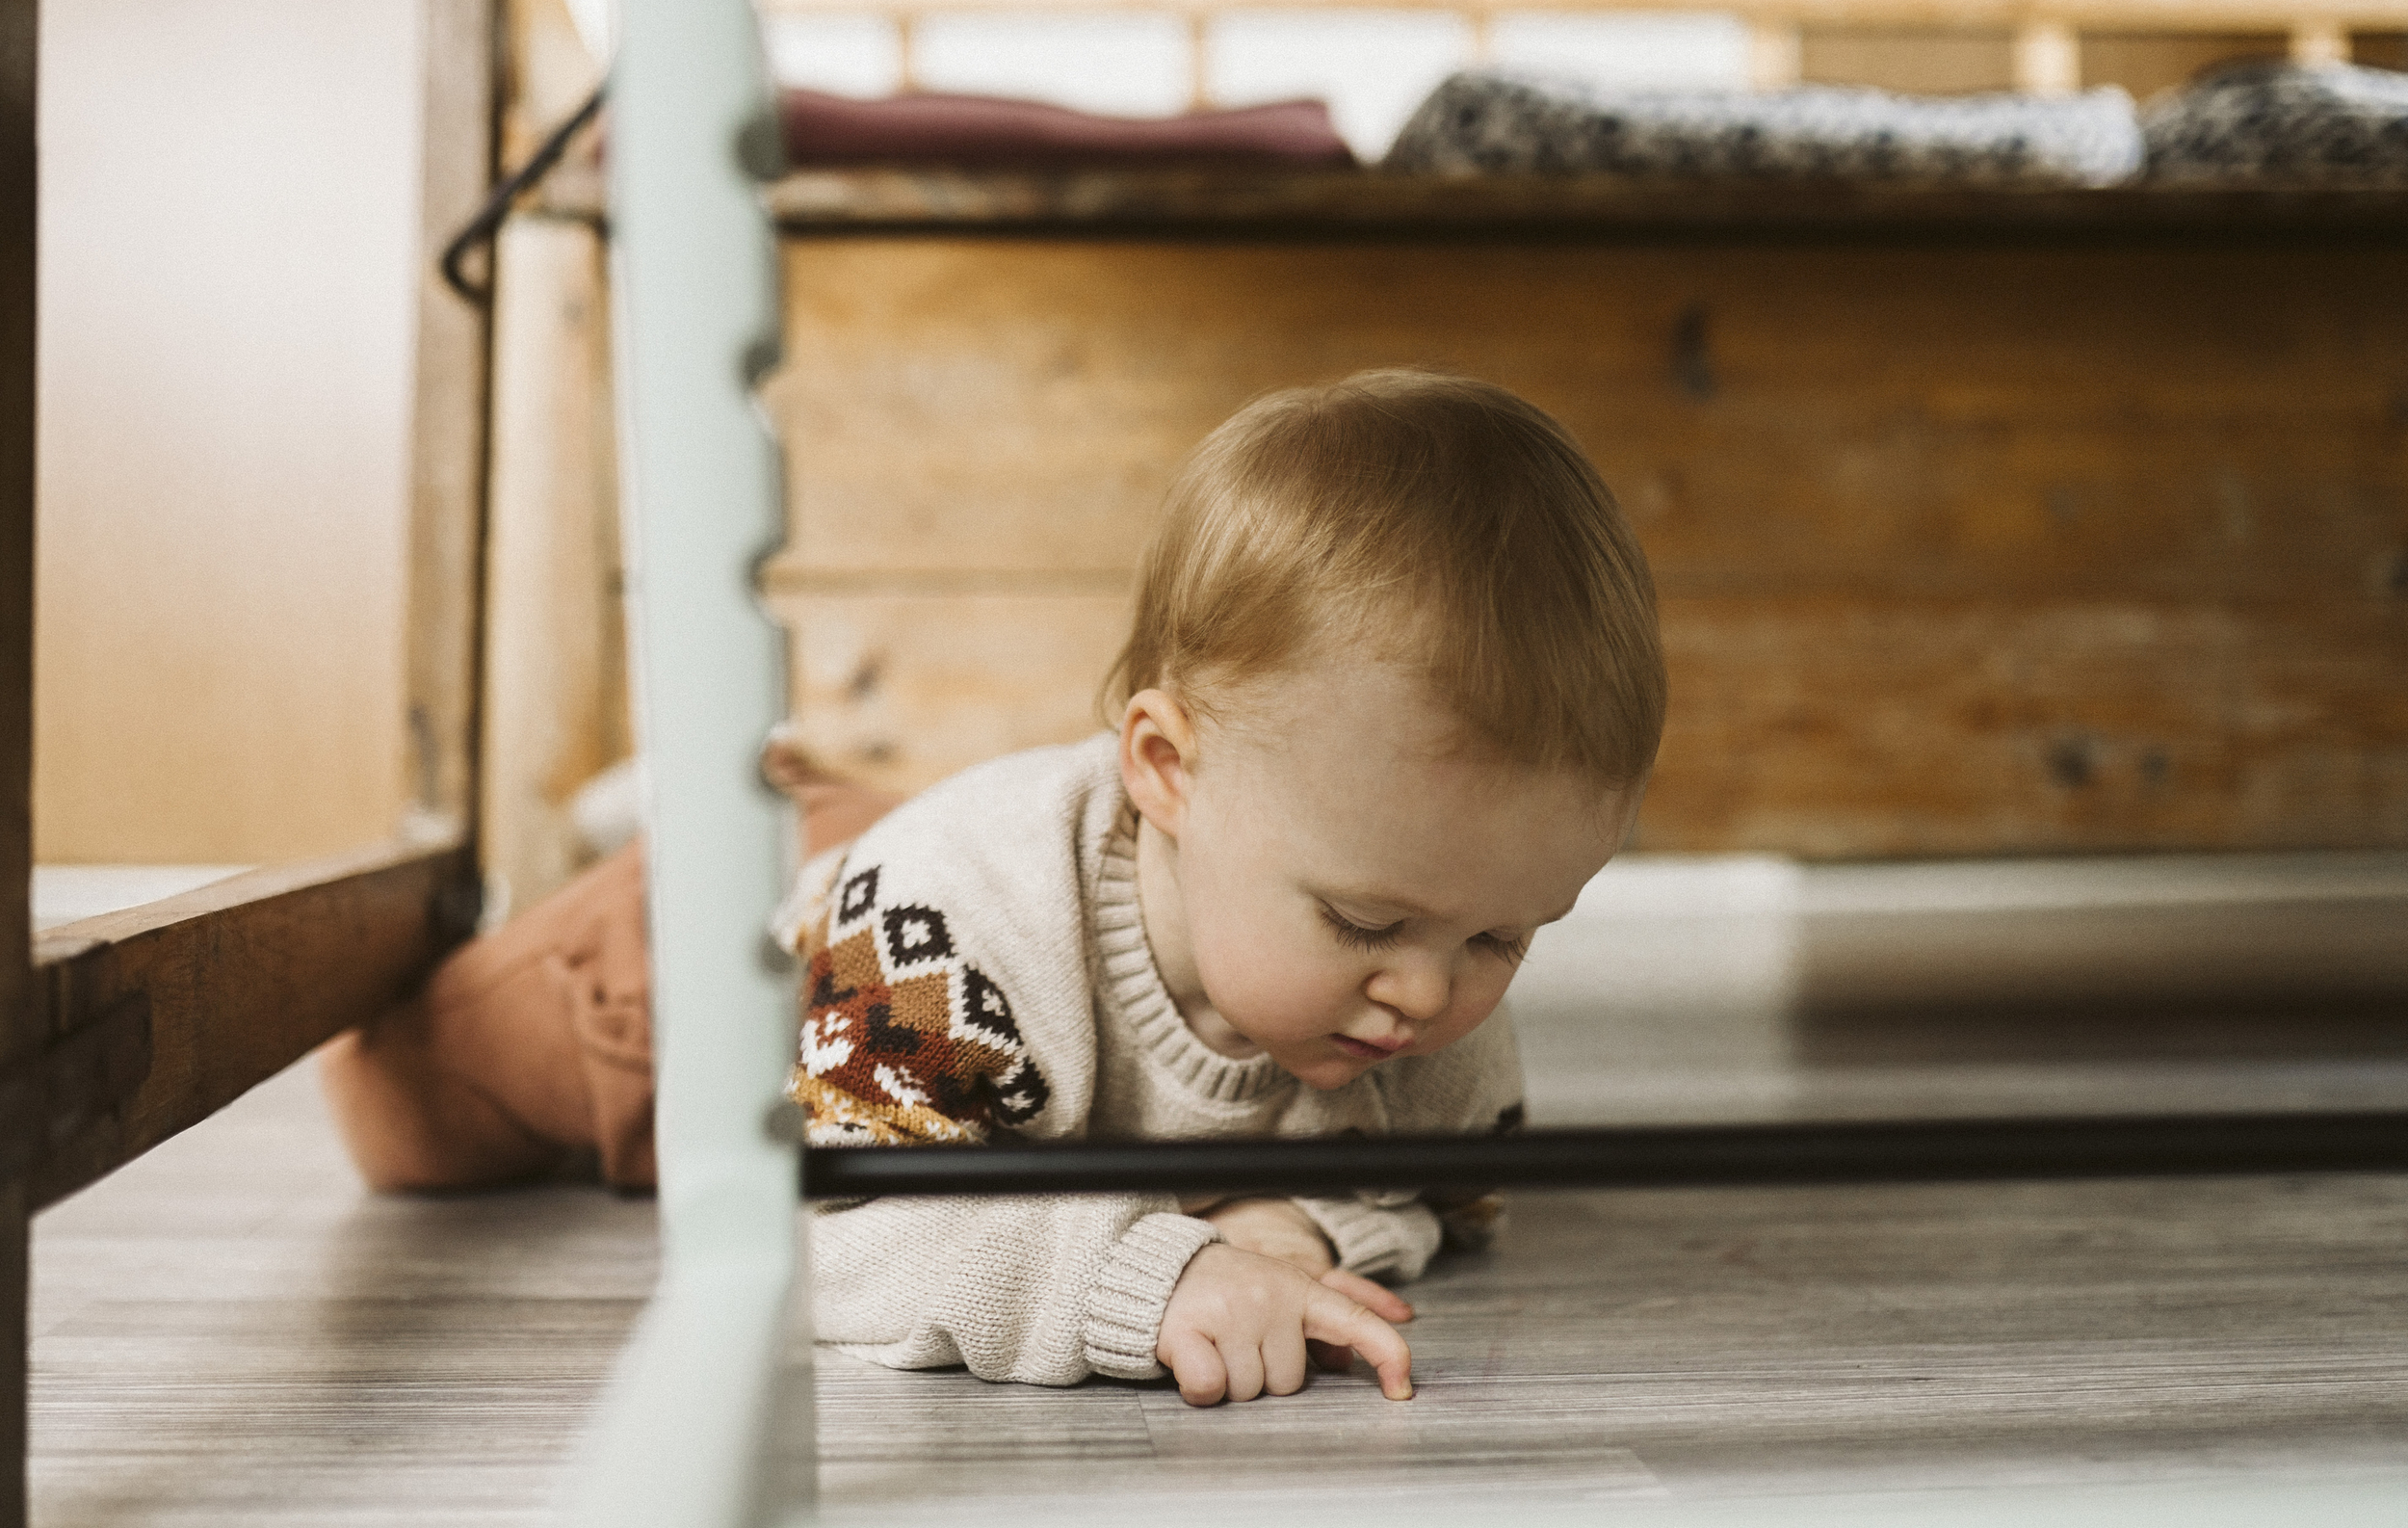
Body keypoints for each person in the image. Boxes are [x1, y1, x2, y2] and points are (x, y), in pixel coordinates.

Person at [323, 368, 1665, 1408]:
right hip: (749, 962)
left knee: (895, 850)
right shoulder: (957, 926)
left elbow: (1450, 1195)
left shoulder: (1425, 972)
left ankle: (799, 791)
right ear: (1167, 771)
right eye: (1363, 923)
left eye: (1504, 934)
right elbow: (819, 1224)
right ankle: (712, 821)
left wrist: (1295, 1226)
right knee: (403, 1111)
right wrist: (1150, 1274)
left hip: (931, 888)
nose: (1431, 992)